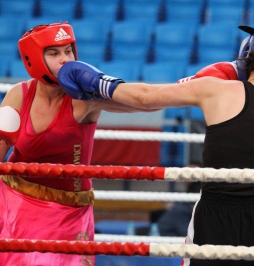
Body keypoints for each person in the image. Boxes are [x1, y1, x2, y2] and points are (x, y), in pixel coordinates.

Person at [58, 25, 254, 266]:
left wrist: (95, 82)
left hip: (213, 215)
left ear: (247, 57)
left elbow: (144, 98)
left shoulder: (216, 90)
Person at [0, 22, 157, 265]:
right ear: (33, 58)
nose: (65, 60)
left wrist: (191, 91)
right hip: (15, 202)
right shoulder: (19, 95)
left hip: (68, 211)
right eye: (53, 53)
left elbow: (143, 101)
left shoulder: (84, 99)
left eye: (68, 51)